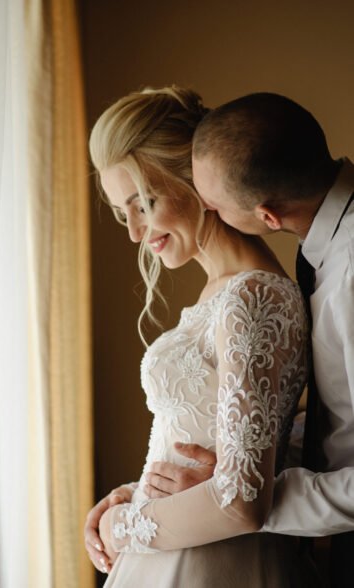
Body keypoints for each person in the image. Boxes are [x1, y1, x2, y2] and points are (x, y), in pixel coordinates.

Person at [84, 86, 312, 586]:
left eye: (143, 203)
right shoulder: (219, 293)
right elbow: (207, 442)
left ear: (190, 178)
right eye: (125, 213)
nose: (135, 232)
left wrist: (123, 526)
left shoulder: (252, 297)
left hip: (211, 564)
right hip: (173, 548)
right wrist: (131, 493)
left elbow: (241, 503)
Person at [142, 93, 354, 587]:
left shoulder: (346, 278)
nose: (204, 212)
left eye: (211, 204)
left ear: (267, 216)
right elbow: (342, 421)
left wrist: (246, 493)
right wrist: (246, 457)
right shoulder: (322, 247)